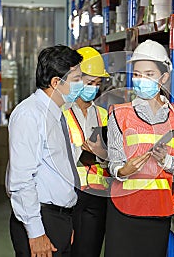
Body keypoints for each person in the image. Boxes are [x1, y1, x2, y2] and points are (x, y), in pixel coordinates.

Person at [105, 39, 174, 257]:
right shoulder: (119, 113)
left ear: (164, 77)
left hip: (158, 212)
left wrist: (166, 160)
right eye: (137, 74)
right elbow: (114, 161)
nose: (141, 80)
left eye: (149, 74)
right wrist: (123, 171)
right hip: (123, 211)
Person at [6, 45, 84, 257]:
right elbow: (21, 180)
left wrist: (65, 222)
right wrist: (36, 232)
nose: (82, 84)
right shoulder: (29, 115)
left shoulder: (56, 113)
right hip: (41, 218)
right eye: (76, 78)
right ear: (56, 82)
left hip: (58, 219)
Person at [63, 47, 110, 257]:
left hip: (97, 195)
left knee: (89, 251)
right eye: (89, 83)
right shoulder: (61, 112)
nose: (93, 88)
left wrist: (102, 153)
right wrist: (80, 150)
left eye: (97, 84)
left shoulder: (103, 114)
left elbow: (112, 153)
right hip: (68, 192)